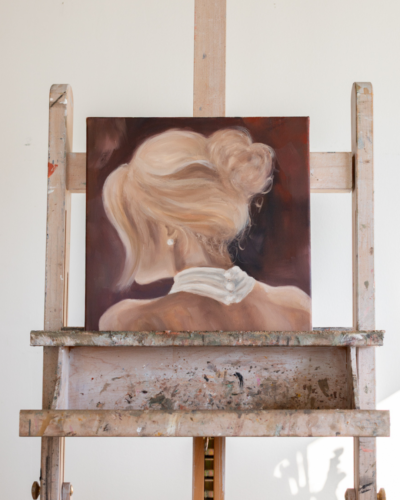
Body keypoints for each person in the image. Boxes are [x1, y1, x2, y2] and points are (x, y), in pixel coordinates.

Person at [99, 128, 311, 331]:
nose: (129, 243)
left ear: (170, 228)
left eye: (133, 225)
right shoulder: (297, 308)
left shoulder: (128, 322)